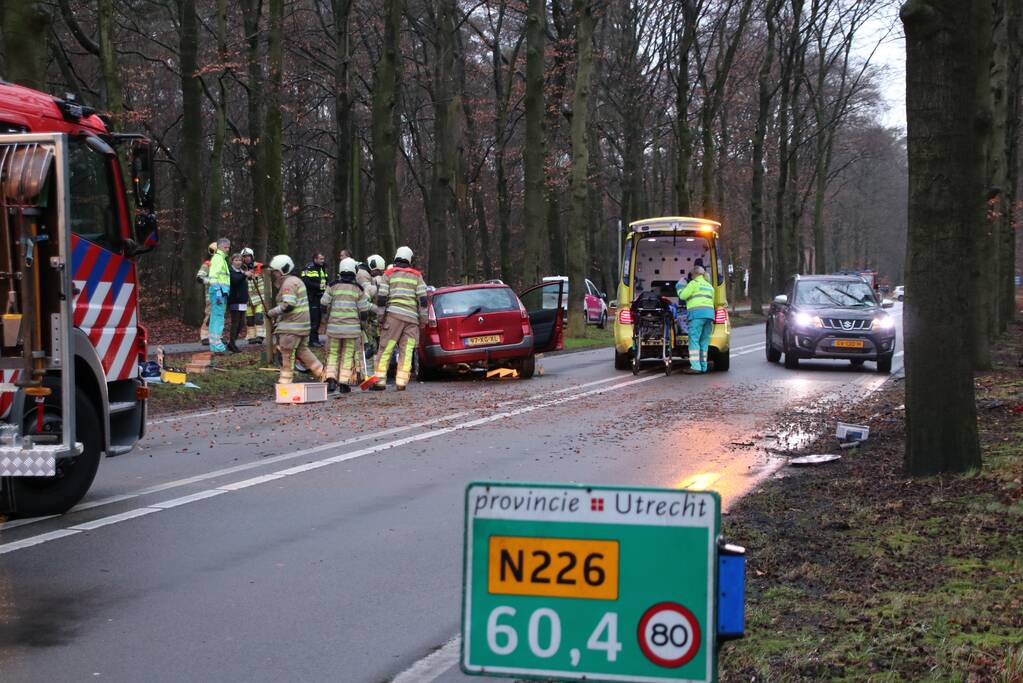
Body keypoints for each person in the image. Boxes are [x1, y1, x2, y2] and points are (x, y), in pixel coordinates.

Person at [366, 246, 427, 391]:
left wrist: (381, 318)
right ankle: (401, 382)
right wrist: (423, 320)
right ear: (410, 259)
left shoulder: (389, 274)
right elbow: (423, 301)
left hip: (393, 318)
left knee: (386, 349)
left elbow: (382, 298)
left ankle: (380, 381)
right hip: (412, 320)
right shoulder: (417, 276)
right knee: (406, 352)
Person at [266, 255, 325, 384]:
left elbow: (289, 304)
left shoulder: (289, 283)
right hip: (302, 326)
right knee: (303, 351)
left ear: (282, 270)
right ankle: (323, 374)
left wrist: (272, 312)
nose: (274, 274)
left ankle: (285, 383)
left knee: (286, 354)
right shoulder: (296, 281)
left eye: (275, 271)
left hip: (291, 328)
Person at [321, 258, 370, 393]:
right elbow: (364, 311)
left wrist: (326, 319)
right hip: (352, 329)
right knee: (348, 355)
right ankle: (344, 383)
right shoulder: (358, 289)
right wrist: (363, 325)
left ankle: (331, 380)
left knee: (333, 354)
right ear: (354, 271)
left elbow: (324, 304)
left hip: (334, 328)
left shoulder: (332, 285)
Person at [676, 264, 715, 374]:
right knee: (704, 342)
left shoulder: (693, 284)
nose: (691, 276)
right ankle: (703, 366)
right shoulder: (709, 286)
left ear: (696, 274)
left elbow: (683, 296)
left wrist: (679, 287)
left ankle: (695, 367)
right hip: (709, 316)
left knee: (694, 341)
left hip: (697, 316)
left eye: (692, 274)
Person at [357, 254, 386, 359]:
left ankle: (372, 345)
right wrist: (377, 309)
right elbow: (365, 298)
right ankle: (369, 346)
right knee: (371, 323)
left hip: (361, 306)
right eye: (378, 272)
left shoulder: (367, 274)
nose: (378, 274)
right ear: (373, 267)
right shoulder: (363, 275)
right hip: (359, 308)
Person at [207, 237, 231, 353]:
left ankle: (214, 346)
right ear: (222, 247)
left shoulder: (220, 259)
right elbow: (213, 276)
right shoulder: (218, 259)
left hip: (220, 292)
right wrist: (217, 292)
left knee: (215, 318)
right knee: (218, 318)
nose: (228, 249)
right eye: (226, 247)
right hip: (219, 293)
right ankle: (218, 346)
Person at [300, 253, 329, 348]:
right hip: (312, 297)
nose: (322, 260)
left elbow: (325, 280)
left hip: (320, 297)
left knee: (318, 319)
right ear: (315, 259)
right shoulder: (308, 268)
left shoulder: (323, 268)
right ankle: (312, 341)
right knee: (314, 320)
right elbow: (305, 282)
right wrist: (319, 287)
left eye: (323, 258)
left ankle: (315, 339)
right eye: (321, 259)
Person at [240, 248, 266, 345]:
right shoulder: (240, 269)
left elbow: (267, 281)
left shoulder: (259, 266)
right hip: (247, 299)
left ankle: (260, 336)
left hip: (259, 297)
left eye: (248, 256)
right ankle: (251, 336)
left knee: (259, 318)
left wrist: (268, 296)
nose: (246, 258)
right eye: (244, 257)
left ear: (252, 257)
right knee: (249, 320)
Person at [227, 253, 249, 353]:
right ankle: (232, 344)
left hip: (242, 301)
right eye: (236, 260)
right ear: (232, 261)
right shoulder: (230, 271)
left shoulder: (241, 271)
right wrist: (244, 275)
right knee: (235, 323)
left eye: (240, 260)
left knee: (242, 323)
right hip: (234, 300)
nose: (238, 262)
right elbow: (234, 280)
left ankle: (232, 342)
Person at [196, 242, 217, 344]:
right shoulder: (208, 264)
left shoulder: (222, 265)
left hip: (221, 294)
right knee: (210, 315)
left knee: (218, 316)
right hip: (211, 294)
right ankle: (205, 337)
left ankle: (216, 337)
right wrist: (211, 281)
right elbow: (200, 277)